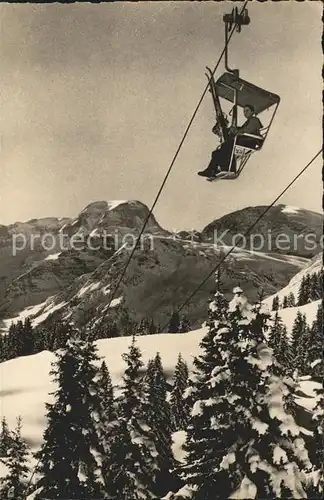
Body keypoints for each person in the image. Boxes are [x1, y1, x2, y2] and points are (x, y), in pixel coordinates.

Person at [198, 104, 263, 177]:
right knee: (217, 152)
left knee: (227, 145)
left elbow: (248, 130)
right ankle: (212, 169)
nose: (245, 113)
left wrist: (236, 131)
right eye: (244, 111)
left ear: (252, 111)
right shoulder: (249, 121)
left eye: (247, 111)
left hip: (250, 141)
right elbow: (242, 129)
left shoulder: (254, 120)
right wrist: (234, 129)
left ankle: (229, 168)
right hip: (244, 141)